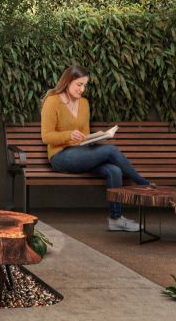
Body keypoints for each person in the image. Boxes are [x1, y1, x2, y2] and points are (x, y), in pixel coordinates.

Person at [41, 66, 153, 232]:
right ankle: (143, 185)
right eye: (79, 84)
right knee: (111, 151)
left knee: (114, 170)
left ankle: (116, 219)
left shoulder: (84, 103)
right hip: (60, 156)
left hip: (82, 153)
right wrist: (69, 135)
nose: (82, 89)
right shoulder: (53, 101)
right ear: (68, 82)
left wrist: (94, 138)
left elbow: (84, 134)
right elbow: (47, 137)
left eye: (85, 85)